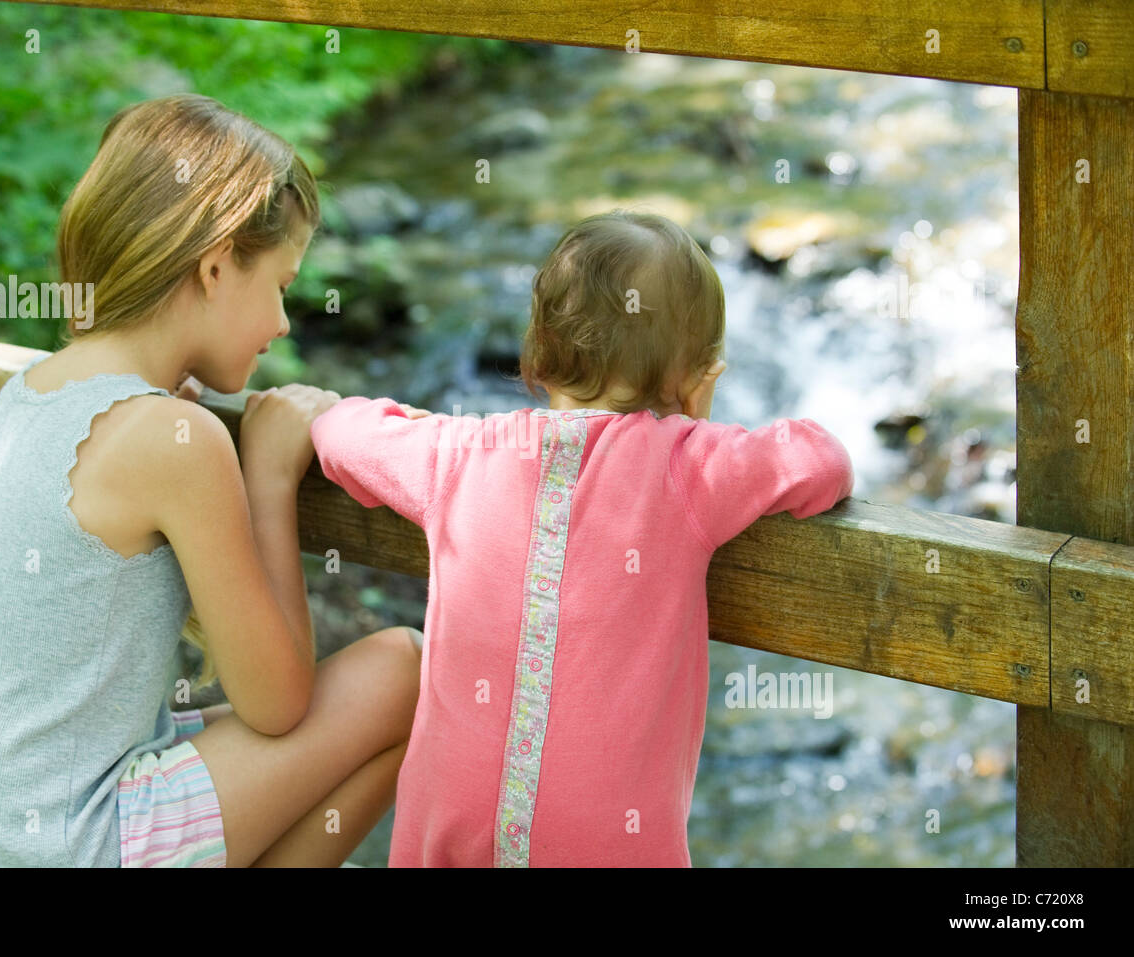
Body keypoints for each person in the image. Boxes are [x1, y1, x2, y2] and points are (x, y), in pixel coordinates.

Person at [0, 93, 423, 868]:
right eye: (281, 285)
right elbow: (279, 704)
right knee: (404, 672)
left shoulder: (29, 392)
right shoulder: (174, 438)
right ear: (217, 264)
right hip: (72, 844)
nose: (284, 323)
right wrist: (267, 470)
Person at [309, 210, 855, 866]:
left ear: (536, 353)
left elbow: (338, 432)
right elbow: (822, 460)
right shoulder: (688, 466)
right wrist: (699, 420)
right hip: (605, 840)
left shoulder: (461, 450)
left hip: (451, 817)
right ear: (696, 378)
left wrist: (397, 418)